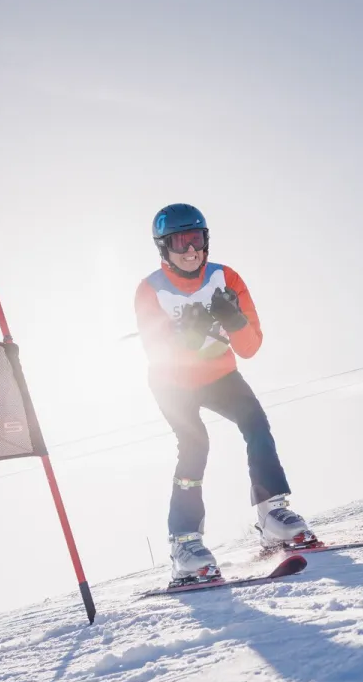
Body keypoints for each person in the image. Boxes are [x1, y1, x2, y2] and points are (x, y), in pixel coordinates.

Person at [134, 203, 316, 584]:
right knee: (194, 442)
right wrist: (190, 334)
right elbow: (157, 354)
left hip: (219, 373)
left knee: (255, 422)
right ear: (163, 248)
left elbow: (249, 347)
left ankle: (272, 514)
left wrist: (233, 319)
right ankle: (185, 543)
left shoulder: (226, 277)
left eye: (197, 240)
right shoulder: (150, 290)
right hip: (172, 379)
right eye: (180, 242)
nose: (190, 251)